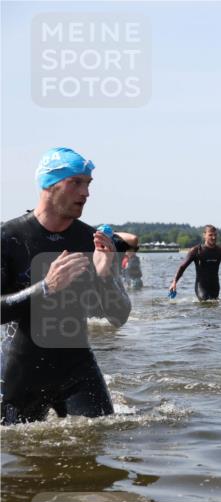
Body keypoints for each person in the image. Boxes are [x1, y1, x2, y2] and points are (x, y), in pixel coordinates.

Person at [1, 147, 131, 424]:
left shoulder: (91, 240)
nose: (86, 193)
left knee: (100, 440)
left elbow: (119, 316)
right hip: (19, 371)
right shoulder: (8, 238)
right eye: (76, 183)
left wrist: (105, 274)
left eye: (88, 184)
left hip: (77, 368)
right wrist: (45, 287)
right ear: (49, 184)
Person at [169, 225, 221, 301]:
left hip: (215, 287)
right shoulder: (196, 251)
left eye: (215, 235)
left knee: (214, 307)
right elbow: (182, 267)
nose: (213, 237)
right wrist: (174, 282)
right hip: (201, 287)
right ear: (204, 235)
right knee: (205, 302)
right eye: (210, 235)